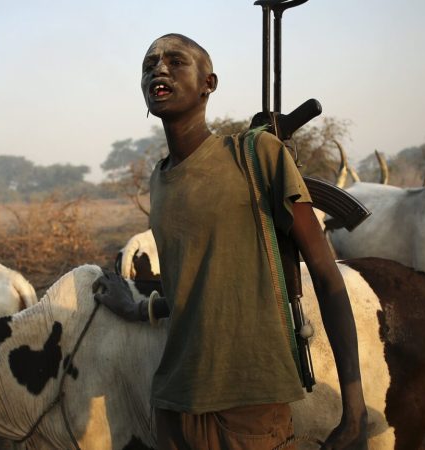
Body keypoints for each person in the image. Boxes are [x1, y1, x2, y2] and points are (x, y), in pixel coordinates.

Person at [93, 33, 367, 450]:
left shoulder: (256, 155)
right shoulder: (159, 180)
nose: (158, 69)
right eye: (149, 65)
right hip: (174, 402)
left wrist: (355, 410)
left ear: (209, 84)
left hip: (247, 407)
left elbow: (328, 278)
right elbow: (197, 292)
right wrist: (137, 307)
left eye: (175, 61)